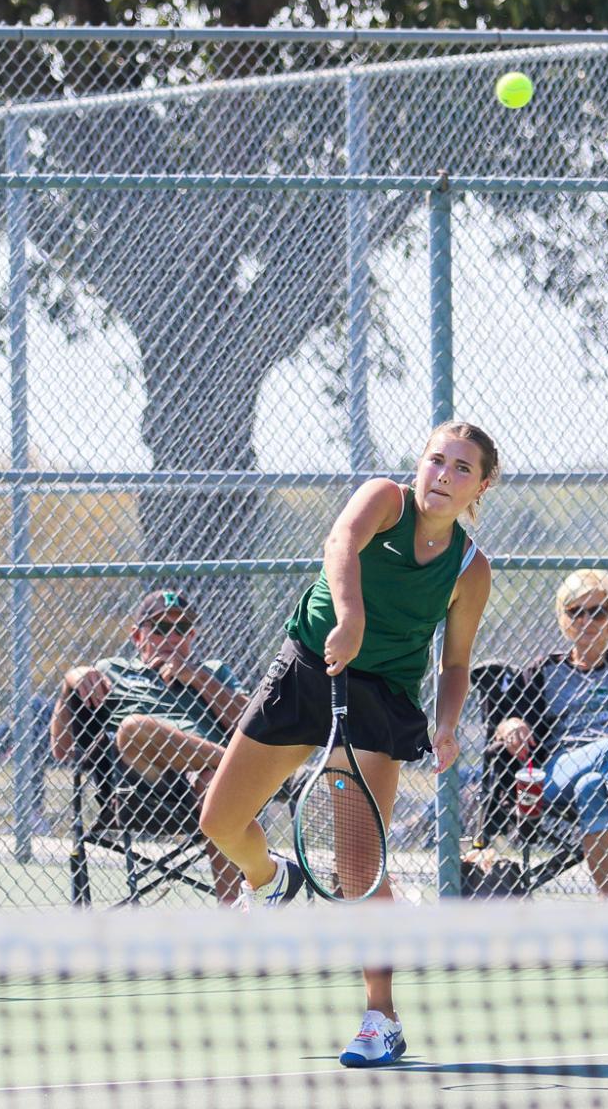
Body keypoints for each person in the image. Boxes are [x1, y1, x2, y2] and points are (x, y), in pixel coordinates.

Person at [199, 421, 496, 1067]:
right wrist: (350, 615)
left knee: (359, 869)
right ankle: (272, 880)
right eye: (435, 461)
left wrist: (445, 724)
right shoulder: (383, 500)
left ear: (481, 486)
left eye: (461, 468)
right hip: (309, 666)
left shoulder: (470, 570)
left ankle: (380, 1017)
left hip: (379, 702)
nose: (442, 476)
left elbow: (454, 664)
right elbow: (340, 542)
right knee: (220, 822)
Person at [488, 569, 608, 896]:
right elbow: (504, 717)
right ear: (563, 619)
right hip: (561, 768)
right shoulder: (545, 669)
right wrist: (511, 726)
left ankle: (607, 909)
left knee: (592, 787)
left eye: (597, 611)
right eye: (575, 612)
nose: (586, 620)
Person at [49, 587, 249, 904]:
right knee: (132, 728)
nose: (171, 637)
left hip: (205, 785)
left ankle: (235, 917)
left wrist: (196, 677)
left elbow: (250, 723)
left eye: (181, 629)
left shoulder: (213, 671)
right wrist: (68, 684)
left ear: (193, 635)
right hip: (142, 787)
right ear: (137, 636)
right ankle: (254, 769)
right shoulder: (110, 671)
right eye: (159, 628)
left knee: (215, 783)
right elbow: (61, 749)